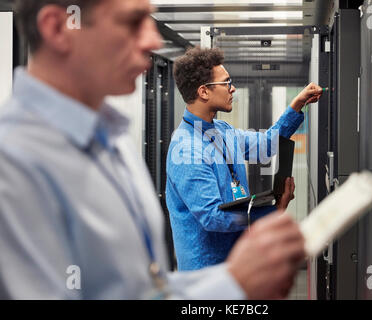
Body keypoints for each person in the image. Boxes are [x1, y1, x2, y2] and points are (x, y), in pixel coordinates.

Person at [0, 0, 306, 300]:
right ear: (59, 27)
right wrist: (237, 275)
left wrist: (238, 280)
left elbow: (145, 289)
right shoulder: (13, 166)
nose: (153, 40)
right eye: (133, 21)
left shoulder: (115, 140)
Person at [166, 47, 323, 271]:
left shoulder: (222, 130)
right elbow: (213, 217)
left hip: (237, 265)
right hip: (207, 276)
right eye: (226, 82)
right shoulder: (186, 149)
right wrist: (273, 211)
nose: (233, 89)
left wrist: (297, 104)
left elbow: (266, 146)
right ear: (204, 92)